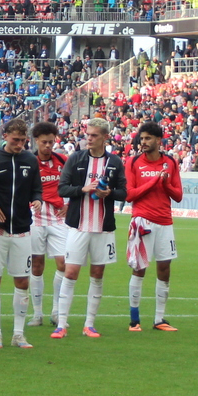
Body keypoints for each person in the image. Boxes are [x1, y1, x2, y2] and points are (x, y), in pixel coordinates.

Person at [54, 117, 127, 339]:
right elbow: (62, 189)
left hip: (103, 227)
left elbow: (124, 193)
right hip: (78, 226)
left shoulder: (114, 162)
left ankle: (89, 324)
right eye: (88, 135)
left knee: (97, 273)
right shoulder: (76, 158)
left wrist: (109, 193)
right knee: (71, 272)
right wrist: (82, 189)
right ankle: (62, 324)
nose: (89, 139)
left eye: (94, 135)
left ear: (105, 137)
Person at [0, 118, 40, 348]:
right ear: (5, 136)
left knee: (22, 281)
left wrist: (38, 200)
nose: (20, 145)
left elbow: (36, 188)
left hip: (22, 230)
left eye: (23, 141)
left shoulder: (30, 160)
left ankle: (18, 334)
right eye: (16, 140)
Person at [124, 121, 182, 333]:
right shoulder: (133, 162)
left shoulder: (171, 162)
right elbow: (129, 195)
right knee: (139, 268)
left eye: (148, 138)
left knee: (165, 269)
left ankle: (159, 319)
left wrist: (165, 184)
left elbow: (178, 195)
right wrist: (154, 182)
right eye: (142, 138)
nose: (144, 142)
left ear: (159, 140)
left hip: (165, 221)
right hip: (142, 221)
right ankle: (134, 320)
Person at [28, 121, 67, 326]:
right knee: (37, 265)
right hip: (35, 217)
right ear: (36, 140)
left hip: (58, 217)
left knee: (64, 264)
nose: (48, 146)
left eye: (51, 142)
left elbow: (74, 184)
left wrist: (69, 204)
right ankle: (37, 314)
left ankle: (57, 311)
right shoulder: (29, 161)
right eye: (44, 142)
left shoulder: (62, 160)